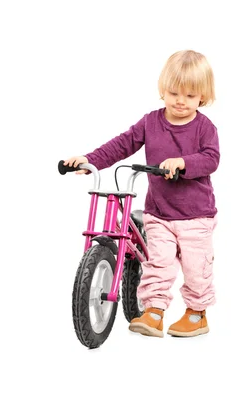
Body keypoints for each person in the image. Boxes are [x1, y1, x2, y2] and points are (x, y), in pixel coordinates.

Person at [62, 49, 219, 338]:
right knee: (157, 264)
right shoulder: (151, 122)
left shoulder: (204, 128)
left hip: (196, 216)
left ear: (203, 97)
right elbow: (122, 144)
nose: (180, 101)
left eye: (190, 95)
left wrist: (183, 163)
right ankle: (154, 312)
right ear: (163, 90)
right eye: (174, 93)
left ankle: (196, 314)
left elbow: (211, 159)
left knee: (197, 269)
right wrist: (90, 160)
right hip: (159, 213)